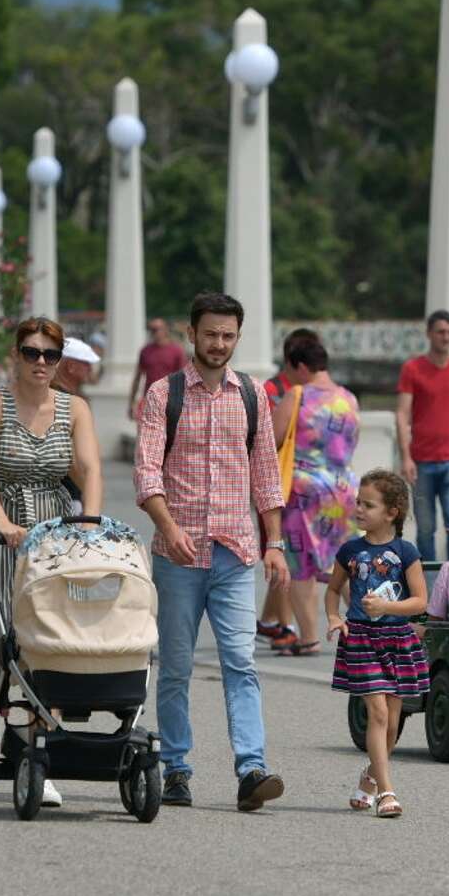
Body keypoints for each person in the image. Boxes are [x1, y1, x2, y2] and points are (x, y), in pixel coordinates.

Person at [135, 291, 289, 812]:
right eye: (211, 334)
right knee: (176, 665)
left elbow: (266, 472)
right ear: (191, 334)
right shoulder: (164, 394)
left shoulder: (252, 395)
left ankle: (251, 769)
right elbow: (147, 470)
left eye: (228, 336)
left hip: (235, 552)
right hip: (177, 555)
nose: (219, 344)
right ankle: (176, 768)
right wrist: (167, 525)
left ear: (237, 338)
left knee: (241, 662)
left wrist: (276, 543)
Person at [0, 317, 102, 809]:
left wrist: (88, 521)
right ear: (16, 354)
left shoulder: (75, 408)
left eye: (49, 354)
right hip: (1, 538)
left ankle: (36, 753)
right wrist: (1, 520)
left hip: (52, 535)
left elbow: (88, 469)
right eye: (31, 352)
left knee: (49, 647)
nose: (40, 362)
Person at [326, 469, 429, 819]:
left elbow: (420, 602)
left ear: (391, 512)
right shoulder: (350, 550)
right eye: (358, 502)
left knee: (394, 720)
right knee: (378, 712)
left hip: (397, 639)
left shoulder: (406, 551)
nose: (358, 509)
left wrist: (387, 607)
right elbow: (331, 589)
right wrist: (335, 618)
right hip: (361, 640)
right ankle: (387, 791)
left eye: (367, 505)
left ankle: (370, 778)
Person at [270, 332, 359, 656]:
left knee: (300, 564)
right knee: (345, 563)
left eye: (291, 368)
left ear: (301, 366)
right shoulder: (349, 398)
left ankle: (308, 637)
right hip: (344, 488)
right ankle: (363, 626)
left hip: (304, 490)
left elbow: (273, 441)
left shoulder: (297, 395)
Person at [395, 310, 449, 562]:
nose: (446, 337)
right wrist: (405, 457)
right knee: (425, 528)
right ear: (429, 334)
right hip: (421, 461)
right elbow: (402, 414)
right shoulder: (412, 369)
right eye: (441, 332)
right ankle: (427, 584)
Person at [256, 328, 319, 650]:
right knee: (278, 552)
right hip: (276, 483)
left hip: (304, 488)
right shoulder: (272, 390)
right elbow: (267, 439)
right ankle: (285, 627)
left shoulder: (314, 392)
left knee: (282, 555)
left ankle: (269, 622)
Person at [126, 317, 188, 421]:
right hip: (150, 400)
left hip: (171, 400)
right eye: (151, 329)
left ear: (165, 330)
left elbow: (184, 377)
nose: (154, 332)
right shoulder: (145, 351)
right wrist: (131, 403)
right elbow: (137, 378)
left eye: (157, 329)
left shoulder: (177, 350)